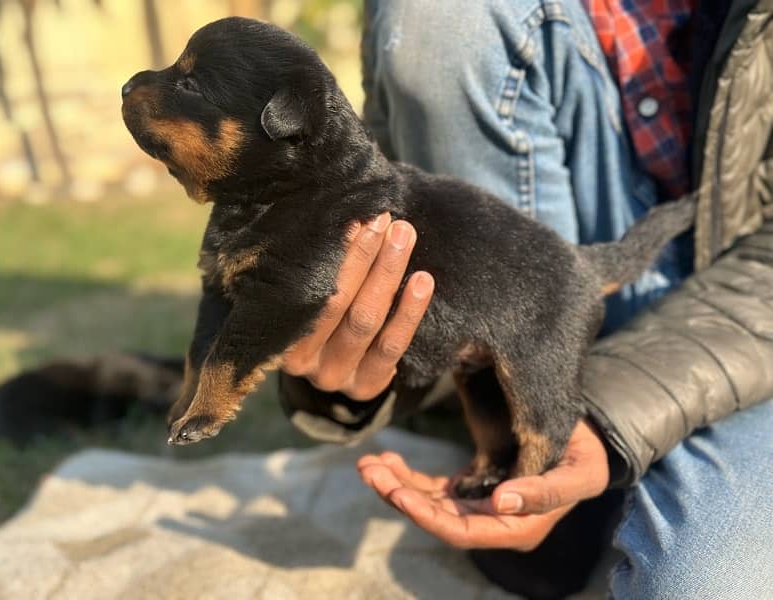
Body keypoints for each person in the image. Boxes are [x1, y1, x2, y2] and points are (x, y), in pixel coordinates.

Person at [279, 0, 773, 597]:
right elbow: (405, 186)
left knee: (707, 587)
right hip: (536, 316)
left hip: (748, 324)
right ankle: (522, 466)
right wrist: (357, 362)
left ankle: (552, 445)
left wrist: (593, 421)